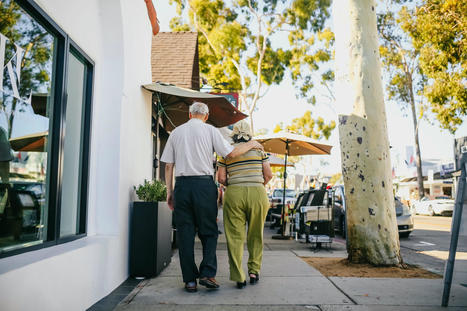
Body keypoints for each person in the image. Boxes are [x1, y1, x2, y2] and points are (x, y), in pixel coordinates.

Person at [161, 102, 263, 293]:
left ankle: (190, 281)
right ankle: (207, 274)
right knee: (209, 232)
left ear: (190, 115)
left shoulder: (176, 133)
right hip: (203, 186)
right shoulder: (211, 131)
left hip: (182, 186)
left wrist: (169, 192)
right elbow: (231, 153)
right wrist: (251, 144)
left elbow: (168, 166)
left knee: (185, 235)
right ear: (206, 116)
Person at [217, 120, 273, 289]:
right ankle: (254, 271)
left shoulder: (226, 152)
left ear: (233, 133)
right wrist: (256, 184)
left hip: (234, 193)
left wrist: (235, 184)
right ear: (249, 133)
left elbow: (221, 178)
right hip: (257, 192)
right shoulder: (259, 150)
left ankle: (239, 276)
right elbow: (268, 175)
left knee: (234, 236)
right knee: (256, 234)